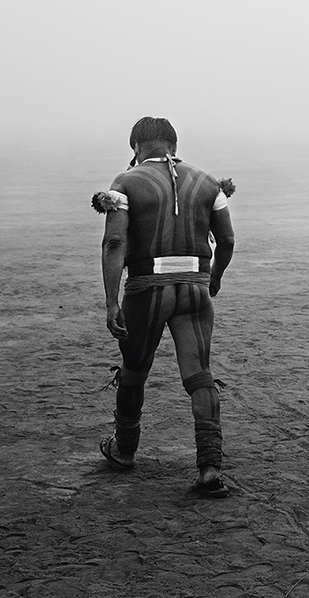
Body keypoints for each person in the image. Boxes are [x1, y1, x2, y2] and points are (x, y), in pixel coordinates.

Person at [91, 116, 236, 497]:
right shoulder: (207, 182)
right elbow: (228, 240)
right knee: (199, 375)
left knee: (135, 371)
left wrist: (110, 301)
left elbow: (114, 244)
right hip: (194, 290)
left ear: (136, 147)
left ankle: (125, 452)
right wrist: (215, 276)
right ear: (173, 144)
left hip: (147, 289)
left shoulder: (127, 183)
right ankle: (209, 469)